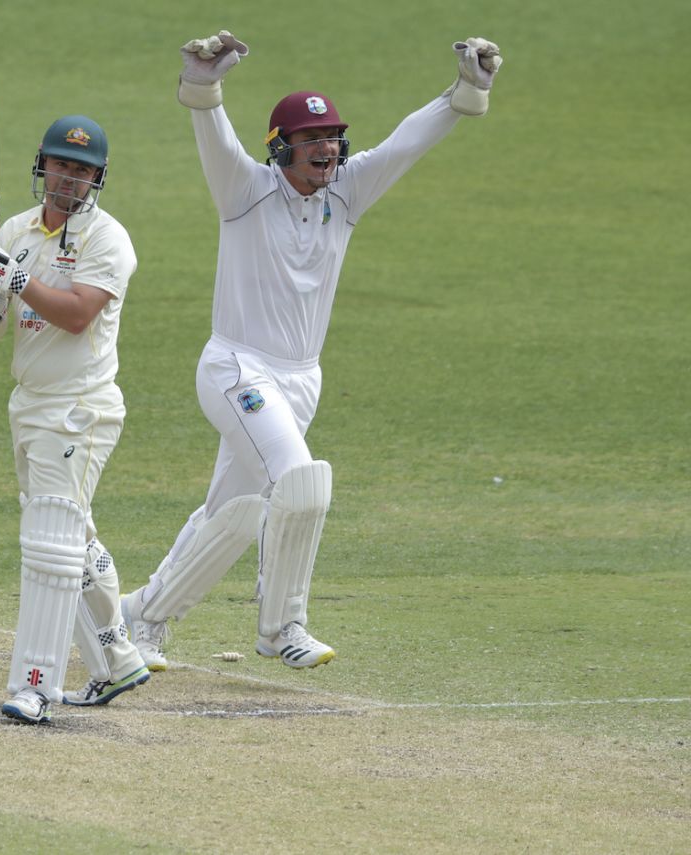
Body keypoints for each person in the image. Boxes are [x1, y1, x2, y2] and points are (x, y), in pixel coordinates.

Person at [121, 31, 504, 671]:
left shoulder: (347, 194)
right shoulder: (244, 189)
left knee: (234, 512)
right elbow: (211, 131)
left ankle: (142, 617)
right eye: (310, 140)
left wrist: (466, 92)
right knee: (301, 483)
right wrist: (205, 83)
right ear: (281, 148)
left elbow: (407, 141)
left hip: (301, 381)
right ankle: (281, 627)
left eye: (331, 139)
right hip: (236, 367)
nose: (326, 149)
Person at [0, 115, 150, 723]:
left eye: (83, 170)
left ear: (97, 178)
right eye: (63, 165)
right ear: (44, 166)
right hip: (30, 403)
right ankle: (116, 657)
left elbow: (75, 316)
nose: (71, 179)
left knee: (50, 539)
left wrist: (16, 277)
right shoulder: (14, 229)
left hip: (80, 408)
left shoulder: (108, 239)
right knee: (74, 536)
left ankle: (36, 685)